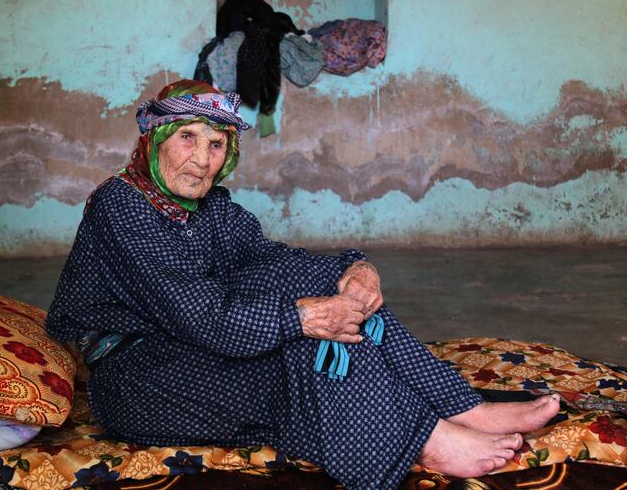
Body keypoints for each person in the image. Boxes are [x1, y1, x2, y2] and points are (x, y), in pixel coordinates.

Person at [46, 79, 560, 489]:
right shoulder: (121, 205)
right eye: (187, 138)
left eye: (217, 143)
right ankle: (427, 440)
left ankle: (461, 405)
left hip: (190, 342)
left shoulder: (211, 208)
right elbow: (208, 319)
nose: (202, 159)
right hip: (140, 375)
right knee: (302, 343)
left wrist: (353, 269)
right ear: (155, 140)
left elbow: (271, 259)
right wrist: (303, 317)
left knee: (325, 289)